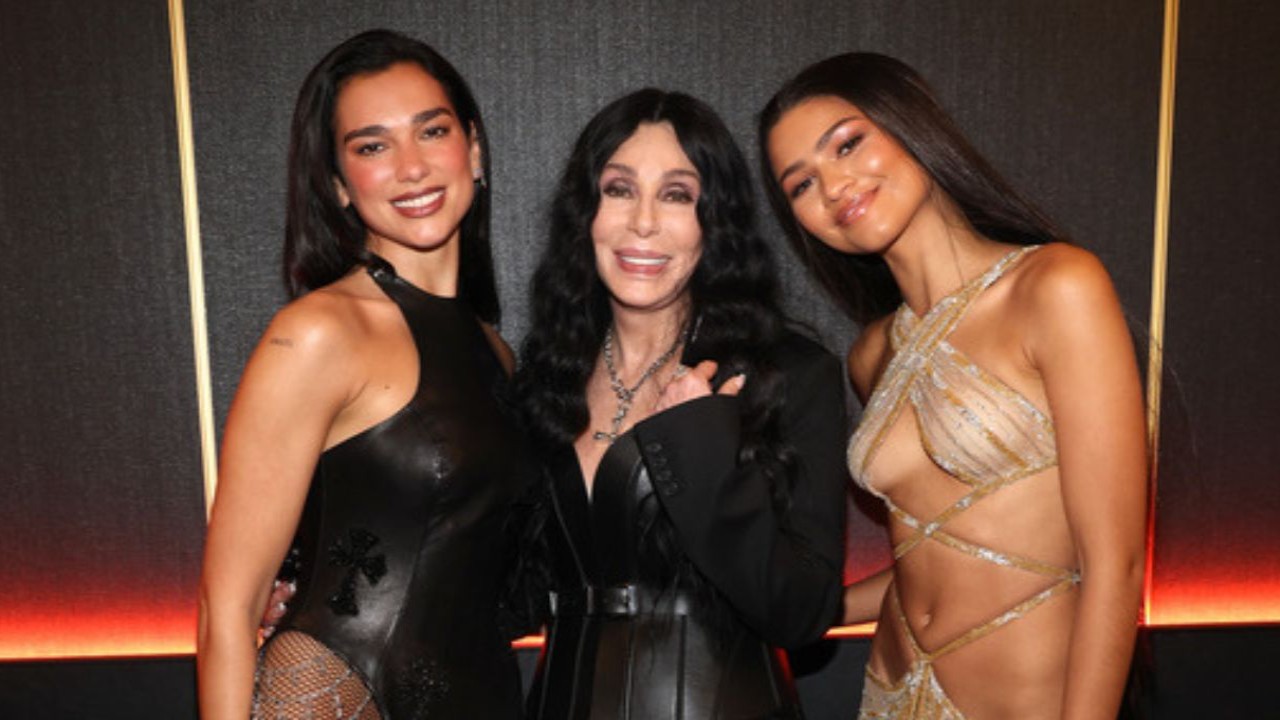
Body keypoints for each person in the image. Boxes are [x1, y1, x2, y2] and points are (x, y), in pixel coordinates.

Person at [758, 53, 1147, 719]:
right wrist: (807, 606)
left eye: (848, 144)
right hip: (892, 691)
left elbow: (1116, 565)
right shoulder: (871, 353)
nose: (834, 186)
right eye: (801, 184)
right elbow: (933, 553)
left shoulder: (1056, 287)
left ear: (910, 127)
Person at [197, 30, 527, 719]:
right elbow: (225, 608)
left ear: (474, 148)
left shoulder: (497, 352)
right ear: (340, 185)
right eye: (373, 146)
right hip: (337, 696)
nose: (412, 167)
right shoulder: (318, 332)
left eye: (430, 131)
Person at [511, 88, 848, 719]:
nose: (643, 221)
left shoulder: (787, 375)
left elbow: (801, 613)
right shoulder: (544, 381)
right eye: (618, 189)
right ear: (585, 212)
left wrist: (702, 449)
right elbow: (509, 596)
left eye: (676, 195)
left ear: (712, 222)